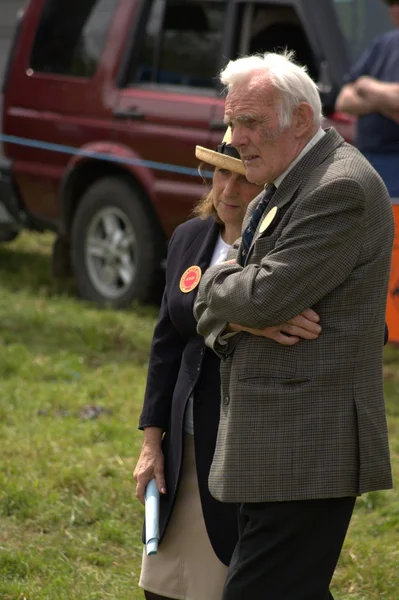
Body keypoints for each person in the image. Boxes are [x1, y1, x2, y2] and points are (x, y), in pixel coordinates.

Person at [194, 51, 394, 600]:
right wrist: (239, 310)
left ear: (301, 119)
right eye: (232, 122)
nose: (235, 139)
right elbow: (237, 308)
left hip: (306, 451)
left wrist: (221, 287)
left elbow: (260, 296)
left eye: (251, 122)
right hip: (276, 447)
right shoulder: (287, 178)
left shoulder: (340, 187)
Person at [133, 129, 323, 600]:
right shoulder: (188, 237)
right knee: (161, 588)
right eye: (220, 173)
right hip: (184, 449)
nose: (228, 191)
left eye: (245, 180)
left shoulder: (287, 256)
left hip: (247, 456)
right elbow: (167, 348)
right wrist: (151, 443)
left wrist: (245, 315)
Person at [335, 0, 399, 197]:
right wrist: (387, 99)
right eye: (391, 3)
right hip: (367, 157)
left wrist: (365, 85)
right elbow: (343, 100)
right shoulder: (384, 43)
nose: (394, 9)